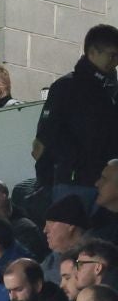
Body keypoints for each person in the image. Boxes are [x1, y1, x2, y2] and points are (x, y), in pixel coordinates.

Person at [34, 23, 118, 201]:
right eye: (111, 55)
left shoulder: (112, 91)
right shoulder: (66, 87)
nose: (115, 62)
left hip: (109, 186)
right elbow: (41, 143)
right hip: (74, 184)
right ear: (92, 52)